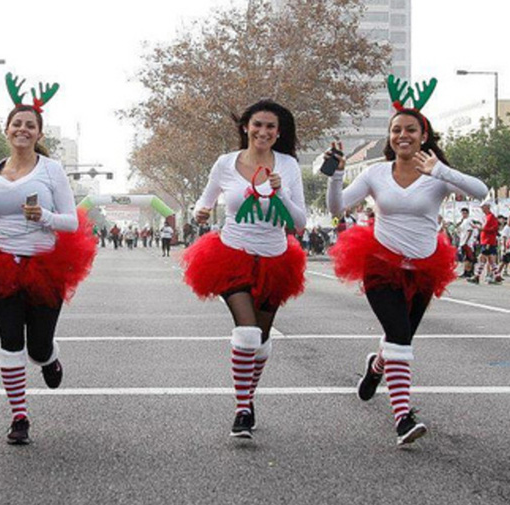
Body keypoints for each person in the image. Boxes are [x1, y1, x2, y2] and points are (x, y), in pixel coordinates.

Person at [0, 82, 96, 445]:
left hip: (45, 264)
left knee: (37, 347)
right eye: (17, 124)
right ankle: (19, 417)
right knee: (10, 341)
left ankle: (50, 358)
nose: (22, 130)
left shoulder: (52, 170)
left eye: (30, 125)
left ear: (39, 134)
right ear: (6, 130)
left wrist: (43, 217)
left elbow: (71, 222)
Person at [325, 93, 488, 445]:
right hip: (381, 265)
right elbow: (337, 207)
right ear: (390, 137)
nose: (403, 135)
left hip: (425, 267)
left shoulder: (437, 174)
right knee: (399, 337)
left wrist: (440, 169)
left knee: (401, 338)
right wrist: (336, 177)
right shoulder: (376, 173)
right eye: (396, 130)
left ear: (423, 135)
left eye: (410, 130)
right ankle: (403, 418)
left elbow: (482, 192)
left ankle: (376, 366)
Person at [183, 100, 307, 439]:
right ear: (245, 127)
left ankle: (248, 397)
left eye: (271, 127)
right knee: (248, 333)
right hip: (231, 255)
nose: (263, 132)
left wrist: (281, 195)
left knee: (262, 340)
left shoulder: (289, 165)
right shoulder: (225, 163)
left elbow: (299, 222)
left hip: (276, 259)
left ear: (279, 133)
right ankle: (242, 409)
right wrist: (200, 212)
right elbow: (204, 201)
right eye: (258, 125)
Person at [469, 201, 501, 284]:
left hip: (488, 241)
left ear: (487, 207)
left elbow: (487, 228)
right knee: (490, 259)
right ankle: (497, 275)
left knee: (482, 258)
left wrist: (476, 227)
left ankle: (477, 276)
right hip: (486, 240)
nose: (482, 209)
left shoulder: (490, 217)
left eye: (483, 207)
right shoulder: (487, 217)